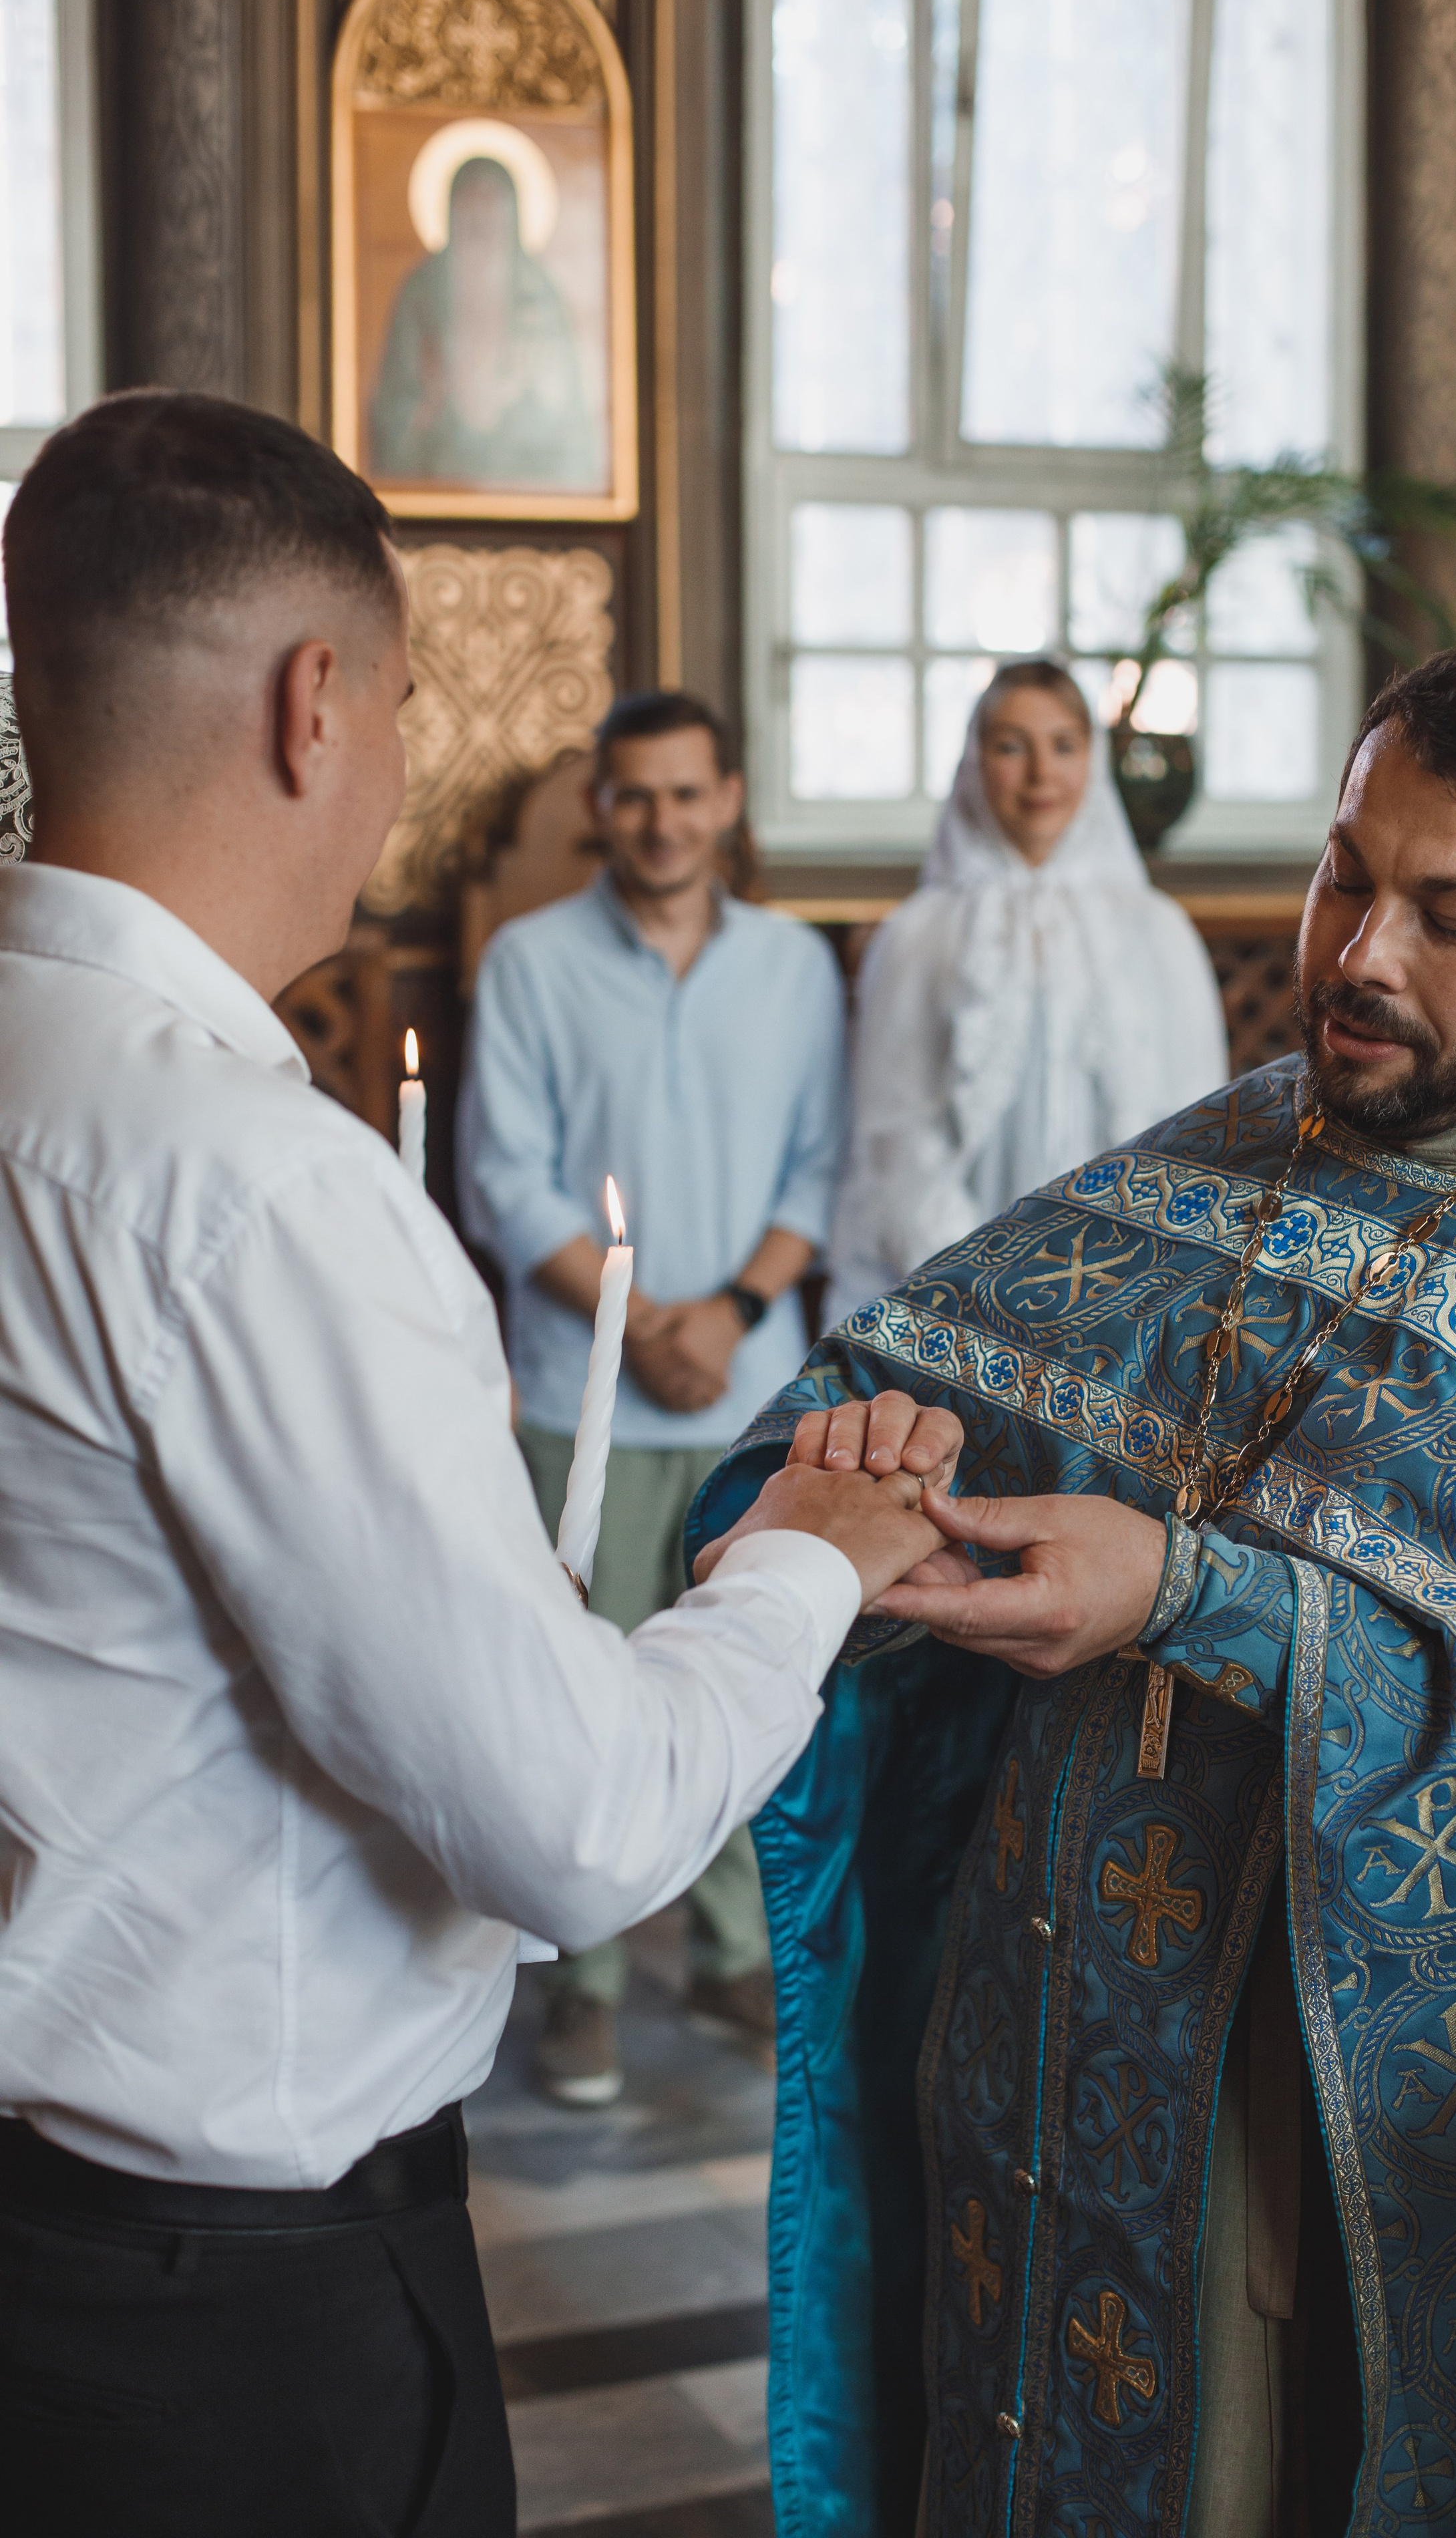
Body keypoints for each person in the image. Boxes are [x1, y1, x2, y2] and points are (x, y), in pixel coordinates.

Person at [0, 390, 952, 2538]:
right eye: (413, 705)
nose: (404, 767)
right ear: (315, 700)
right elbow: (571, 1820)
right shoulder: (248, 1185)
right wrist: (802, 1555)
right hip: (229, 2308)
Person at [689, 645, 1456, 2537]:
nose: (1359, 955)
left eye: (1447, 915)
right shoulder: (1228, 1148)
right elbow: (857, 1402)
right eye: (1346, 875)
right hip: (1040, 2029)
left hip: (1308, 2120)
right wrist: (855, 1486)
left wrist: (1192, 1597)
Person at [458, 689, 846, 2106]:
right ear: (597, 808)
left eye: (687, 794)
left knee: (756, 1673)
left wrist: (727, 1313)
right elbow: (505, 1178)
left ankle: (736, 1957)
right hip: (586, 1391)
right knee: (584, 1689)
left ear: (728, 800)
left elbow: (818, 1168)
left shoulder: (794, 968)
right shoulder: (528, 962)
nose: (662, 820)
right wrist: (633, 1327)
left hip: (749, 1384)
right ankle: (591, 1975)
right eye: (634, 796)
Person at [826, 658, 1228, 1321]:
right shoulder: (919, 933)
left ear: (1091, 762)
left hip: (1123, 1293)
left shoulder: (1157, 930)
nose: (1041, 774)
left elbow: (1193, 1129)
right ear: (975, 762)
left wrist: (1110, 1284)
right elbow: (894, 1138)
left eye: (1063, 746)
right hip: (957, 1292)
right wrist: (986, 1288)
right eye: (1012, 746)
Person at [371, 154, 598, 489]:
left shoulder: (538, 293)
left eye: (492, 203)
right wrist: (430, 404)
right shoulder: (421, 293)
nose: (481, 218)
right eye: (470, 203)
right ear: (450, 212)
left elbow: (572, 429)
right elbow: (392, 418)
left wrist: (542, 395)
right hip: (434, 483)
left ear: (513, 215)